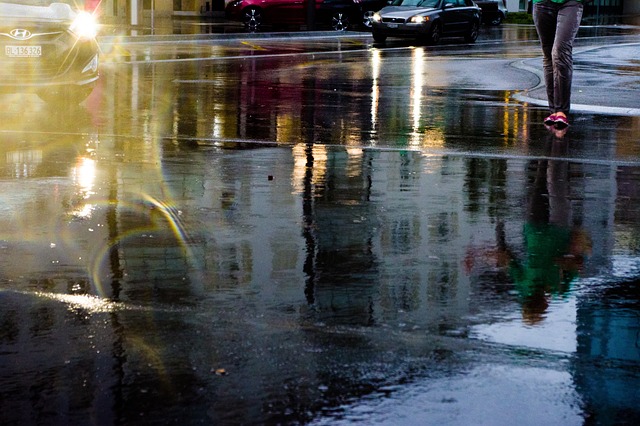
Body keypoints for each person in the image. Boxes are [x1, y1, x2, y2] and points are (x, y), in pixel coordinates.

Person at [532, 0, 585, 129]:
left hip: (571, 3)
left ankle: (561, 110)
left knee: (560, 51)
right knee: (548, 55)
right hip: (542, 3)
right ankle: (554, 111)